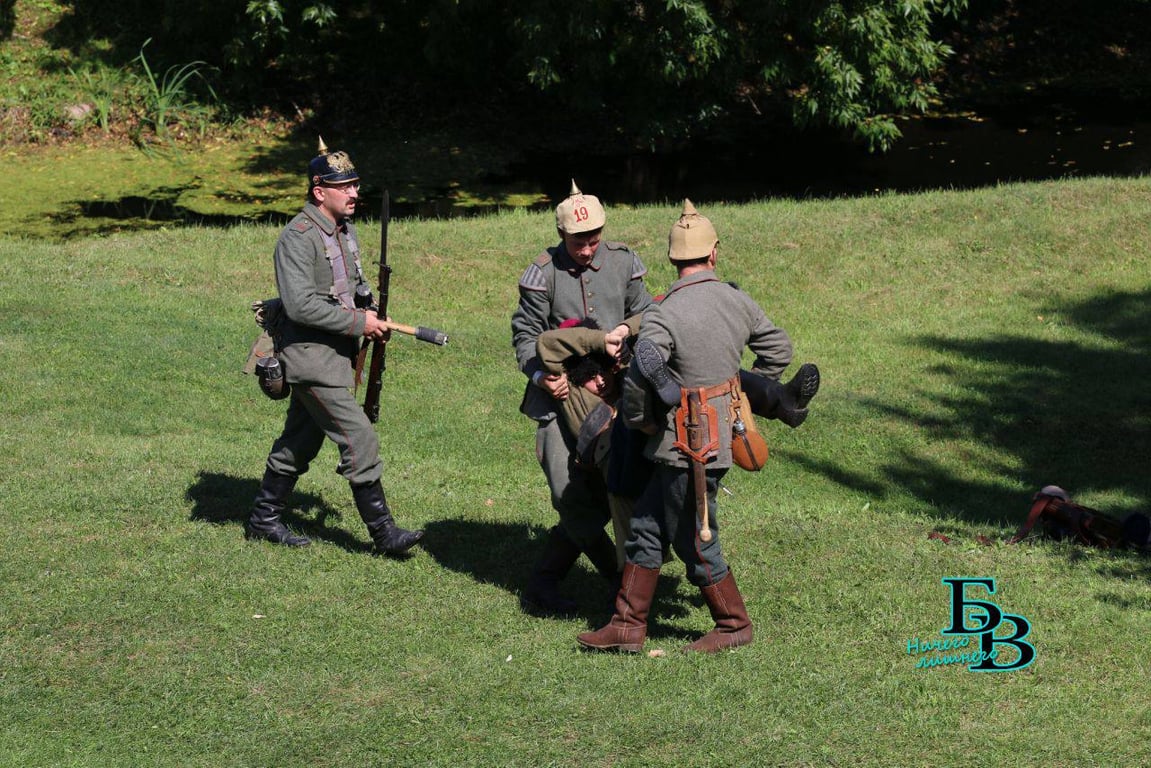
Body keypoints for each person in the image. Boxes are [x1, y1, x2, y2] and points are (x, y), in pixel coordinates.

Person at [578, 199, 815, 653]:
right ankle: (628, 625)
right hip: (722, 437)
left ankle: (733, 625)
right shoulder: (736, 299)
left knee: (695, 538)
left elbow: (639, 381)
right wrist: (734, 392)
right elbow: (779, 351)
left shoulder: (663, 312)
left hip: (680, 444)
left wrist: (642, 421)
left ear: (673, 258)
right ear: (714, 253)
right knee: (649, 525)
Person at [245, 138, 424, 556]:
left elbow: (352, 288)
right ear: (318, 190)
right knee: (359, 438)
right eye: (345, 186)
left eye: (356, 185)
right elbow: (301, 305)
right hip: (309, 359)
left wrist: (371, 311)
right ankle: (384, 535)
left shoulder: (345, 232)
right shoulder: (298, 237)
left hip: (334, 357)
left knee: (299, 443)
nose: (355, 193)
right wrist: (359, 322)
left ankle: (263, 519)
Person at [511, 180, 654, 615]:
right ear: (561, 236)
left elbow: (649, 313)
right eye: (579, 242)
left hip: (615, 397)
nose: (588, 249)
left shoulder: (625, 261)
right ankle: (598, 581)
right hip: (559, 401)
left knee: (617, 485)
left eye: (594, 239)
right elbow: (524, 339)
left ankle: (614, 583)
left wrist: (626, 331)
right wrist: (540, 378)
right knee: (568, 494)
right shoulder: (541, 273)